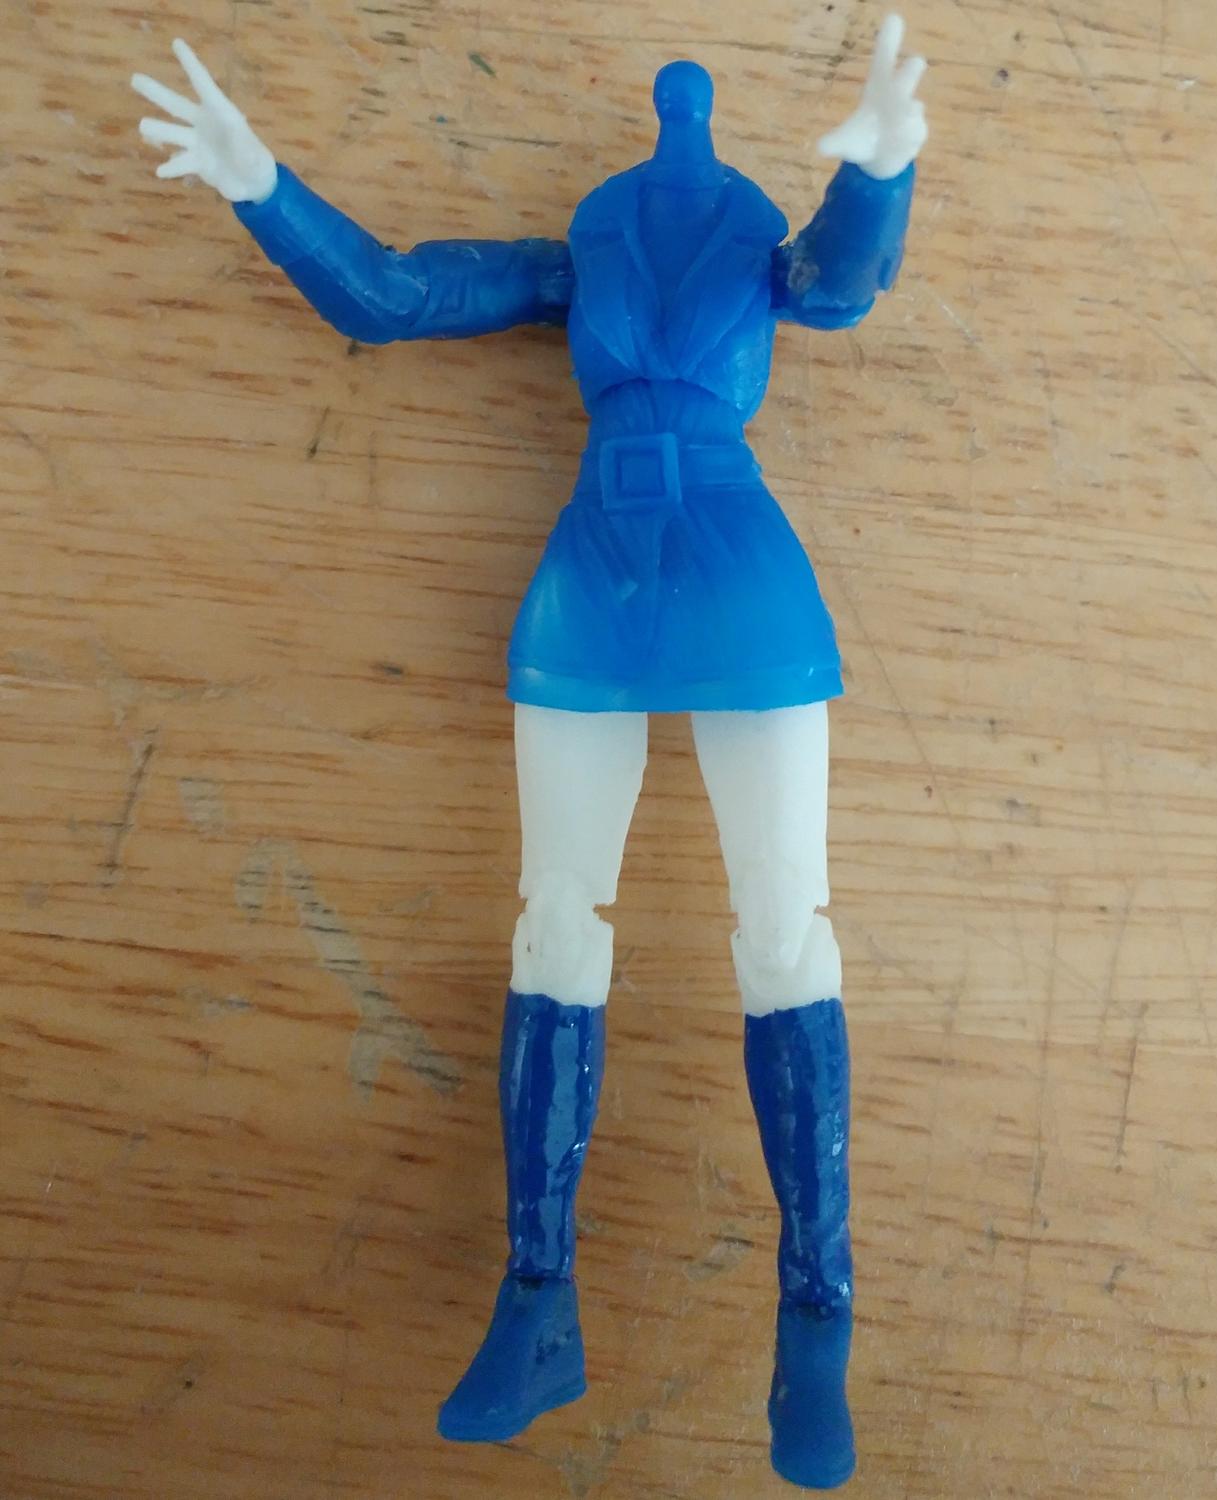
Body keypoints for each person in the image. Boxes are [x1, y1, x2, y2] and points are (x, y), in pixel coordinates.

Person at [132, 19, 927, 1488]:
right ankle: (537, 1297)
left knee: (788, 930)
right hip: (591, 587)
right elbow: (393, 294)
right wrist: (260, 182)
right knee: (553, 924)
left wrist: (883, 169)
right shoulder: (579, 253)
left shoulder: (758, 248)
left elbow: (838, 279)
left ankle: (816, 1313)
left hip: (744, 582)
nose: (675, 134)